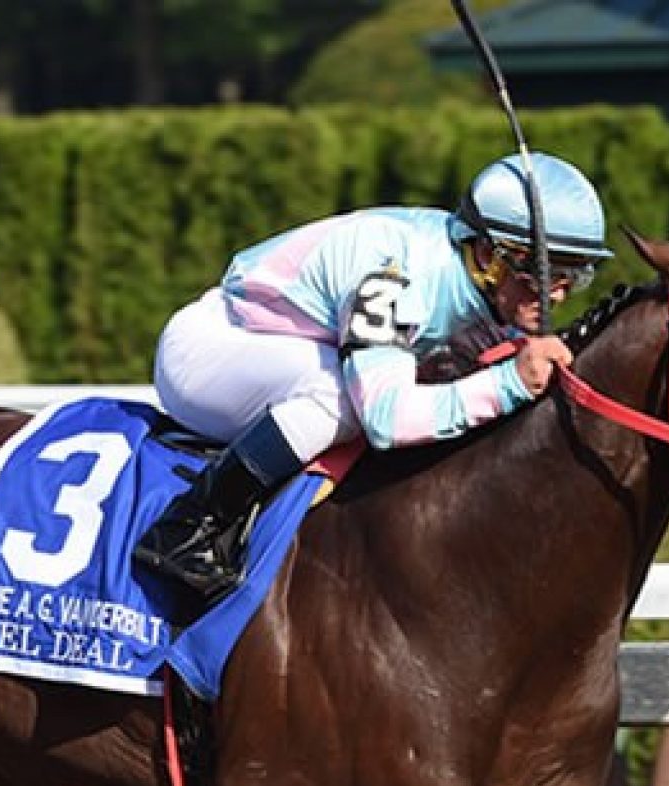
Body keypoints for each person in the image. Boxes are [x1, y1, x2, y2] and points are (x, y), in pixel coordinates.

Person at [133, 150, 614, 607]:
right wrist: (508, 384)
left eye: (576, 274)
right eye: (545, 272)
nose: (559, 292)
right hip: (210, 352)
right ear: (489, 256)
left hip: (292, 345)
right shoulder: (394, 277)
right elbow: (385, 417)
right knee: (342, 398)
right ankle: (189, 526)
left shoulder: (475, 283)